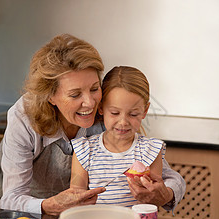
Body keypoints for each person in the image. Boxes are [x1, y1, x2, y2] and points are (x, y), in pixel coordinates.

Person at [0, 34, 185, 215]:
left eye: (94, 88)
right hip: (27, 216)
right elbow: (11, 199)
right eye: (75, 94)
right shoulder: (24, 117)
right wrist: (49, 205)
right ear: (50, 96)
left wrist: (165, 194)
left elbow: (170, 178)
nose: (90, 103)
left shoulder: (110, 112)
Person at [70, 66, 184, 210]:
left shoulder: (151, 150)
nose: (123, 122)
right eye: (114, 112)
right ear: (100, 108)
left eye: (133, 114)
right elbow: (75, 201)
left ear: (145, 111)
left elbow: (152, 202)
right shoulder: (84, 150)